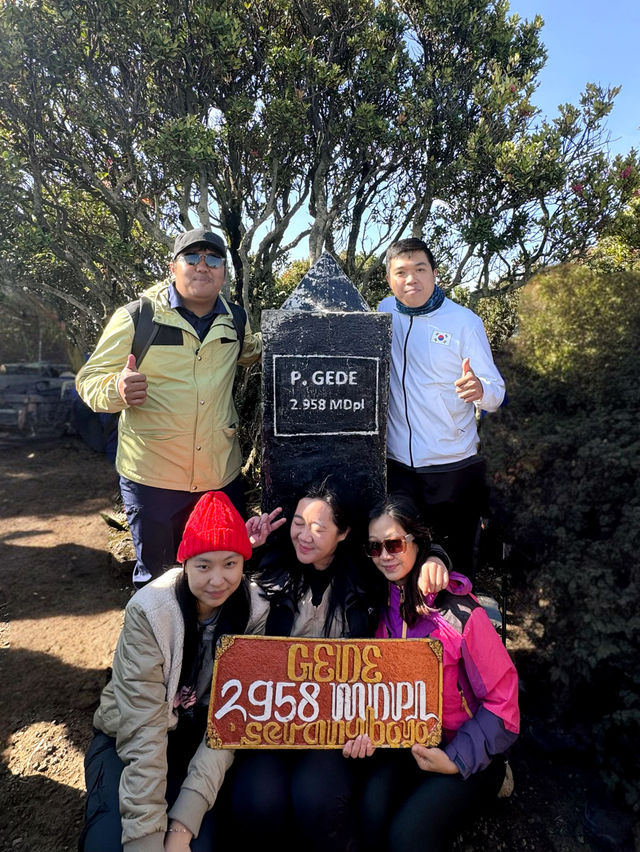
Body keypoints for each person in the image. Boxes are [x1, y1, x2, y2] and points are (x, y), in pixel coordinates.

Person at [222, 478, 452, 852]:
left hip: (334, 726)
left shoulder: (365, 578)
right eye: (298, 522)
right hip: (271, 719)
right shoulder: (272, 567)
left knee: (317, 798)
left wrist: (436, 557)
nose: (304, 535)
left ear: (343, 533)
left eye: (318, 527)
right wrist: (242, 549)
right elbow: (223, 610)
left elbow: (406, 551)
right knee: (257, 800)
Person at [78, 490, 285, 852]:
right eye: (204, 566)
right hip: (128, 738)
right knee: (110, 843)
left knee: (195, 844)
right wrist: (145, 835)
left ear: (243, 562)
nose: (217, 580)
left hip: (200, 737)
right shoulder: (150, 612)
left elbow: (229, 720)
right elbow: (142, 728)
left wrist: (183, 822)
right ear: (185, 564)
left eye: (230, 564)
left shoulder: (254, 612)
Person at [75, 228, 262, 588]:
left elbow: (252, 351)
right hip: (153, 480)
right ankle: (157, 644)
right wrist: (117, 389)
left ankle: (210, 645)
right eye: (192, 257)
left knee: (222, 578)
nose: (202, 266)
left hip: (218, 477)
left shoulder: (235, 320)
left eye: (213, 259)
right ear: (173, 267)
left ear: (224, 271)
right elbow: (89, 379)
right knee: (159, 583)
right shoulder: (137, 317)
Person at [343, 495, 520, 852]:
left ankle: (499, 775)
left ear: (418, 542)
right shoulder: (382, 606)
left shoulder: (460, 614)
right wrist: (367, 729)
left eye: (393, 544)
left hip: (468, 749)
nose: (385, 556)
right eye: (374, 548)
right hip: (413, 742)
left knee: (409, 837)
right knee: (369, 811)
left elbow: (504, 705)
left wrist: (457, 761)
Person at [379, 237, 506, 579]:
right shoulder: (383, 313)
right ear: (389, 279)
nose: (411, 280)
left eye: (420, 270)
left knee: (454, 564)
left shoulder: (463, 322)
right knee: (403, 560)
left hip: (452, 467)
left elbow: (496, 393)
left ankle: (457, 631)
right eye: (401, 272)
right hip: (398, 468)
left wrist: (479, 389)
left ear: (435, 273)